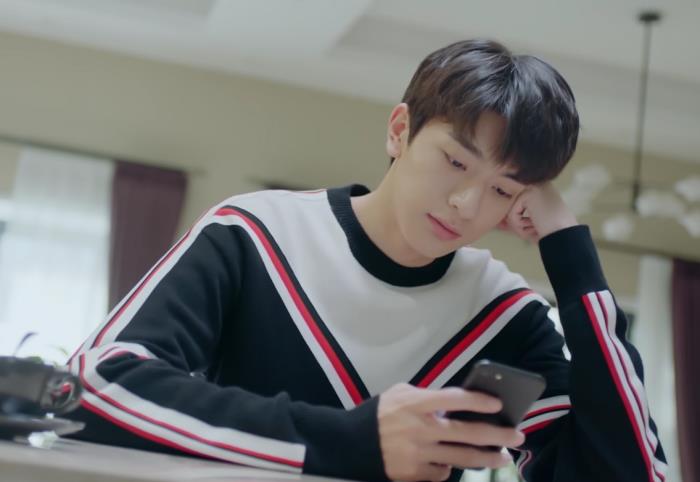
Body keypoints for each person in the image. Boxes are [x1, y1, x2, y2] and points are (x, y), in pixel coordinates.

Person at [66, 39, 668, 482]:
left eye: (503, 189)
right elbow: (94, 387)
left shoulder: (504, 314)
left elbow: (629, 475)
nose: (466, 203)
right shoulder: (255, 233)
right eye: (456, 162)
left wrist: (570, 254)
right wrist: (350, 439)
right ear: (400, 130)